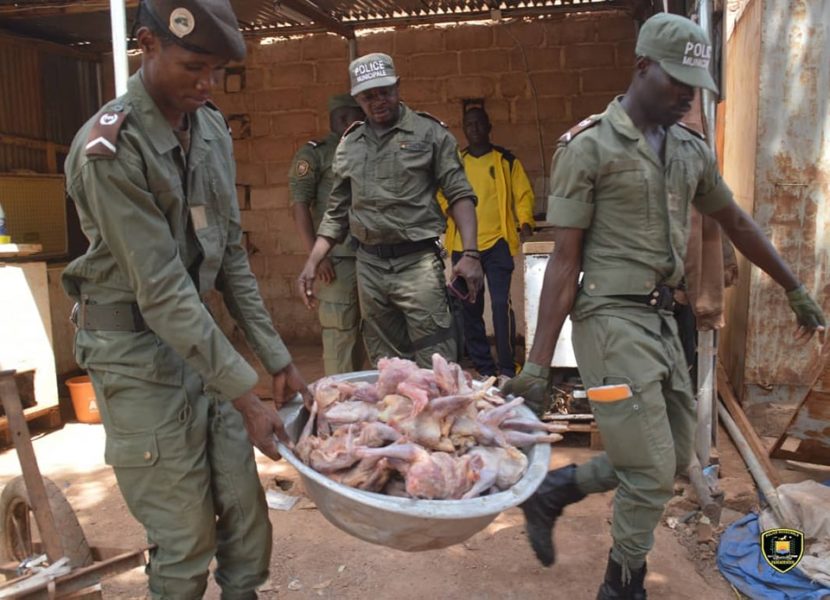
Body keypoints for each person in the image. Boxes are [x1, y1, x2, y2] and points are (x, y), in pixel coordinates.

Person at [501, 12, 826, 599]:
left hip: (660, 319)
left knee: (675, 458)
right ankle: (622, 584)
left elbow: (736, 221)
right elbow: (564, 262)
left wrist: (793, 287)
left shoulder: (688, 150)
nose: (685, 96)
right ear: (642, 67)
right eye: (675, 81)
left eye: (694, 87)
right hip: (608, 320)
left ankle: (556, 490)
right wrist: (537, 366)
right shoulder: (589, 147)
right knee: (649, 471)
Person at [61, 1, 311, 597]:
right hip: (136, 355)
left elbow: (229, 258)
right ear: (147, 43)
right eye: (194, 66)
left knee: (248, 524)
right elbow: (162, 289)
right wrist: (245, 395)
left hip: (200, 346)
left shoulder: (210, 128)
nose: (207, 83)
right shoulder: (109, 149)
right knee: (185, 539)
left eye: (217, 71)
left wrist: (275, 356)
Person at [297, 53, 484, 368]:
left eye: (385, 91)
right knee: (388, 366)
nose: (379, 101)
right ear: (358, 98)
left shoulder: (430, 134)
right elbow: (337, 212)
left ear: (398, 86)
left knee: (435, 361)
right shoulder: (350, 144)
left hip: (418, 265)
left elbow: (459, 194)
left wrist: (471, 254)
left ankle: (435, 416)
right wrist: (312, 260)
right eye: (369, 96)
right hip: (369, 267)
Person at [440, 106, 535, 378]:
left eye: (479, 124)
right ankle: (484, 367)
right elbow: (442, 193)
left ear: (489, 126)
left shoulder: (505, 160)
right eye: (469, 125)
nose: (475, 129)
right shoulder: (457, 162)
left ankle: (507, 367)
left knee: (500, 305)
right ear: (464, 130)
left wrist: (525, 221)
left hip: (498, 245)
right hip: (463, 247)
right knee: (469, 309)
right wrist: (446, 210)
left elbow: (523, 193)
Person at [290, 94, 366, 375]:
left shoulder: (370, 147)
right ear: (340, 118)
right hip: (337, 260)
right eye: (350, 116)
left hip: (373, 257)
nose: (356, 122)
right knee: (340, 330)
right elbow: (299, 207)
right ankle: (341, 402)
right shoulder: (315, 154)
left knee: (372, 331)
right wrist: (316, 256)